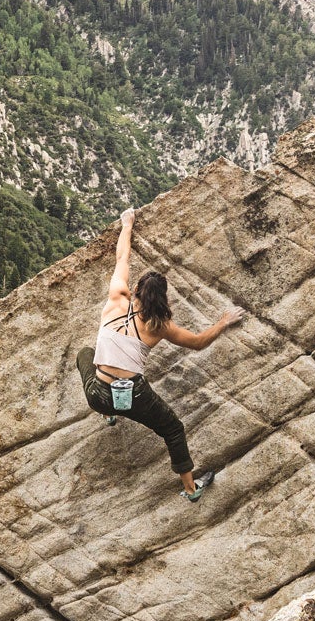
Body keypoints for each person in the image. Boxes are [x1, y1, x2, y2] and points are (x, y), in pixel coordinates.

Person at [75, 206, 244, 501]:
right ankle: (191, 489)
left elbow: (122, 258)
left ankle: (109, 413)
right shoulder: (159, 326)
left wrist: (127, 225)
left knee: (85, 354)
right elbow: (198, 342)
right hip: (135, 398)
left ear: (137, 289)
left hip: (98, 395)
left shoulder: (116, 297)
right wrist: (223, 322)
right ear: (161, 299)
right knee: (173, 429)